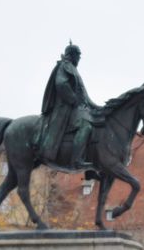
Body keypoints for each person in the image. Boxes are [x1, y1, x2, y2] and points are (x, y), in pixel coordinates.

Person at [38, 42, 100, 170]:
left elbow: (83, 94)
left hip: (78, 107)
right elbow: (61, 84)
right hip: (66, 107)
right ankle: (77, 160)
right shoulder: (64, 66)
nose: (79, 59)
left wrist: (97, 107)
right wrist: (74, 99)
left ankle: (91, 164)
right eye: (78, 56)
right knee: (86, 126)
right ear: (72, 55)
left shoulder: (73, 69)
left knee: (95, 124)